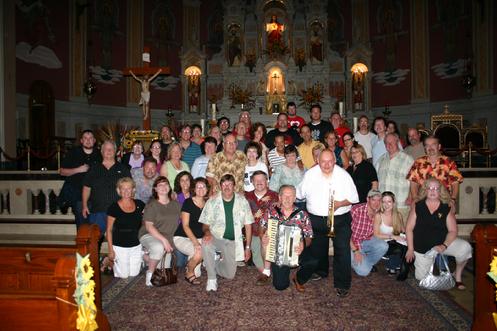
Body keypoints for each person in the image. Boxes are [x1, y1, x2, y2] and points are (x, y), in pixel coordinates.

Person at [297, 150, 359, 298]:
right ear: (318, 161)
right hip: (316, 218)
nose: (326, 165)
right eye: (323, 161)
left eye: (330, 161)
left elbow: (354, 198)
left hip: (339, 219)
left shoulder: (344, 175)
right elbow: (299, 194)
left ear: (335, 161)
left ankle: (342, 283)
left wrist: (340, 203)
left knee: (342, 251)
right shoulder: (310, 175)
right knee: (318, 249)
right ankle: (320, 271)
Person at [405, 178, 472, 290]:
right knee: (422, 280)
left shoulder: (446, 206)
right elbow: (409, 228)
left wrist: (443, 245)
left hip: (442, 245)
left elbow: (453, 231)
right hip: (422, 247)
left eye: (436, 188)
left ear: (440, 190)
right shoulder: (417, 205)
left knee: (465, 248)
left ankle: (457, 275)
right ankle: (429, 263)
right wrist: (410, 249)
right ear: (425, 190)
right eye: (429, 188)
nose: (432, 191)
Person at [199, 174, 254, 292]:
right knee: (206, 243)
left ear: (234, 186)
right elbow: (205, 224)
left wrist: (248, 247)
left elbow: (248, 225)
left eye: (230, 184)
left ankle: (213, 262)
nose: (227, 187)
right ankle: (211, 279)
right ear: (220, 186)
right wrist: (207, 233)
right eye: (224, 184)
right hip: (216, 237)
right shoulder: (212, 201)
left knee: (230, 275)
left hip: (233, 241)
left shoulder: (242, 201)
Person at [260, 185, 315, 291]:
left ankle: (297, 277)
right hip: (278, 253)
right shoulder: (272, 211)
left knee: (314, 260)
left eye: (291, 196)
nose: (287, 199)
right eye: (285, 196)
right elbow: (261, 226)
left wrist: (303, 244)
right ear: (279, 197)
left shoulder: (302, 214)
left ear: (295, 198)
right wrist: (263, 236)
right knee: (280, 286)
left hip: (296, 250)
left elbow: (309, 236)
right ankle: (270, 270)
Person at [82, 140, 131, 237]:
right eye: (106, 149)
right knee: (94, 241)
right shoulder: (94, 168)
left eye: (111, 149)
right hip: (97, 211)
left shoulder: (123, 169)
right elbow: (86, 187)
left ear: (116, 152)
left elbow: (130, 189)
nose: (108, 151)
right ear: (102, 151)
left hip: (118, 211)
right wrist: (84, 205)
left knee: (118, 242)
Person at [140, 176, 181, 287]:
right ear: (155, 189)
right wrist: (164, 240)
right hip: (149, 234)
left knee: (163, 267)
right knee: (158, 248)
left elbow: (183, 221)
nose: (163, 187)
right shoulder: (152, 205)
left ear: (169, 187)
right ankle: (149, 275)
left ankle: (145, 256)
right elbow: (149, 226)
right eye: (160, 185)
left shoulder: (176, 204)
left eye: (165, 184)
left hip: (168, 237)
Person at [59, 129, 101, 228]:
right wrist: (78, 170)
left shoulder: (99, 154)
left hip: (96, 196)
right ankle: (83, 243)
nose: (88, 140)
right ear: (81, 140)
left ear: (94, 140)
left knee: (96, 226)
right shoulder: (73, 153)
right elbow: (62, 171)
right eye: (85, 138)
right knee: (82, 225)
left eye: (90, 138)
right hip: (78, 196)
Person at [407, 135, 463, 207]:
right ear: (425, 148)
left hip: (444, 202)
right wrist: (415, 198)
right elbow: (413, 182)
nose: (430, 148)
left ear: (439, 146)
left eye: (433, 145)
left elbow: (455, 182)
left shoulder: (449, 162)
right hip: (423, 202)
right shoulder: (418, 162)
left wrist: (453, 199)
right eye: (427, 145)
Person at [106, 177, 145, 278]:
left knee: (134, 274)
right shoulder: (113, 207)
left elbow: (148, 219)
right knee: (123, 276)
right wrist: (110, 250)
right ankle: (109, 262)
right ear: (119, 190)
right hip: (119, 247)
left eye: (129, 188)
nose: (126, 191)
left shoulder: (140, 204)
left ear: (133, 190)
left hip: (136, 245)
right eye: (123, 188)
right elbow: (109, 230)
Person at [173, 178, 210, 285]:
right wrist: (196, 243)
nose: (201, 189)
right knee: (198, 252)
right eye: (198, 187)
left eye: (203, 186)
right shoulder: (188, 202)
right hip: (183, 237)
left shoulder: (208, 203)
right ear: (194, 189)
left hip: (199, 237)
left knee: (198, 271)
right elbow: (185, 225)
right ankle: (189, 272)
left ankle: (191, 264)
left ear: (207, 189)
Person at [245, 171, 279, 283]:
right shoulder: (246, 196)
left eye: (262, 180)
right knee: (257, 258)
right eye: (256, 180)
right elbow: (241, 218)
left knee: (269, 249)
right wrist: (254, 216)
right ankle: (266, 272)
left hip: (271, 232)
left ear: (267, 181)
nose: (259, 182)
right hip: (253, 232)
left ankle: (268, 272)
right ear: (252, 182)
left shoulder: (275, 196)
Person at [376, 133, 414, 223]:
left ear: (397, 142)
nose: (389, 145)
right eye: (386, 143)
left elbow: (414, 181)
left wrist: (411, 196)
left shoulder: (408, 159)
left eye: (391, 142)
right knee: (387, 234)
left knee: (402, 234)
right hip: (384, 206)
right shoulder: (381, 160)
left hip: (401, 204)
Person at [349, 189, 388, 277]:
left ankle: (365, 262)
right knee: (364, 272)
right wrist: (356, 251)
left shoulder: (379, 212)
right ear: (367, 199)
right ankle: (354, 260)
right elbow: (344, 232)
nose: (376, 203)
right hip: (351, 244)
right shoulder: (356, 210)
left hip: (366, 241)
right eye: (373, 199)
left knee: (383, 246)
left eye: (379, 200)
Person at [373, 191, 408, 280]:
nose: (386, 204)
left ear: (393, 203)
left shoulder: (398, 215)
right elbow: (376, 235)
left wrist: (407, 238)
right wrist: (393, 236)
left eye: (389, 201)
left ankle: (400, 266)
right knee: (398, 247)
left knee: (406, 244)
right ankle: (396, 265)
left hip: (395, 242)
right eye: (384, 202)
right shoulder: (378, 215)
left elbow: (403, 231)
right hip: (381, 244)